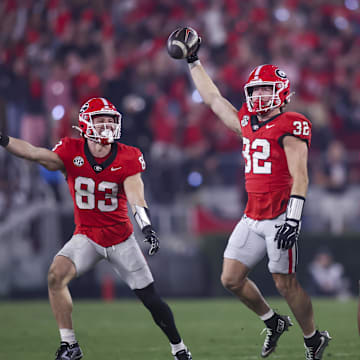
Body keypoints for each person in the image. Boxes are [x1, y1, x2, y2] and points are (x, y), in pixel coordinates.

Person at [168, 28, 331, 359]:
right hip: (252, 214)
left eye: (264, 89)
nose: (257, 95)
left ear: (282, 92)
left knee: (285, 283)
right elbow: (214, 99)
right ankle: (273, 322)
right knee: (230, 278)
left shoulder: (292, 122)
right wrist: (193, 61)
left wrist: (294, 220)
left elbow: (301, 176)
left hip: (280, 215)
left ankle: (313, 338)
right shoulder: (247, 121)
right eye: (254, 89)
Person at [0, 97, 192, 360]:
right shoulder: (70, 150)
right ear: (84, 124)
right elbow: (33, 153)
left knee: (151, 300)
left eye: (111, 120)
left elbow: (137, 196)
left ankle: (179, 348)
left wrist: (147, 229)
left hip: (121, 239)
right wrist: (3, 139)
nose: (106, 126)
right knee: (55, 277)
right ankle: (70, 345)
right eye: (100, 120)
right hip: (87, 236)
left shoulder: (128, 155)